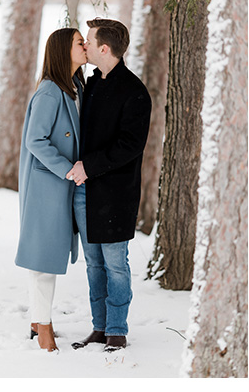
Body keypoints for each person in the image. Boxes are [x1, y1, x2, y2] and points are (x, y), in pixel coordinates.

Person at [66, 18, 152, 353]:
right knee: (94, 264)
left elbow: (130, 145)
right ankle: (99, 327)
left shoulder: (135, 92)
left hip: (115, 194)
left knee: (116, 263)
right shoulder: (90, 83)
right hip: (84, 192)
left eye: (88, 41)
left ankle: (117, 329)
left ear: (104, 48)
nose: (84, 46)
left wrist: (89, 166)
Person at [15, 27, 88, 353]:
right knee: (43, 257)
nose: (86, 46)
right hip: (48, 184)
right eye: (79, 42)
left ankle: (37, 318)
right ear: (63, 50)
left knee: (51, 253)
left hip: (63, 186)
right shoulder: (49, 91)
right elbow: (35, 140)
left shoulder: (75, 87)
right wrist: (67, 170)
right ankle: (43, 326)